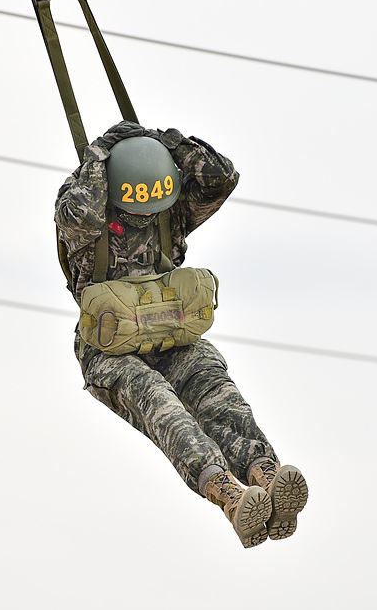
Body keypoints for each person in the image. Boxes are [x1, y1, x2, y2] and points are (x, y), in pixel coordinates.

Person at [54, 120, 309, 548]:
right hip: (109, 350)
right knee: (161, 405)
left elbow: (219, 176)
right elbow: (76, 211)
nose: (147, 216)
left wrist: (167, 142)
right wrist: (99, 155)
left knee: (217, 391)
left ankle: (264, 472)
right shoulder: (89, 224)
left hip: (172, 336)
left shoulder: (171, 210)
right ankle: (228, 494)